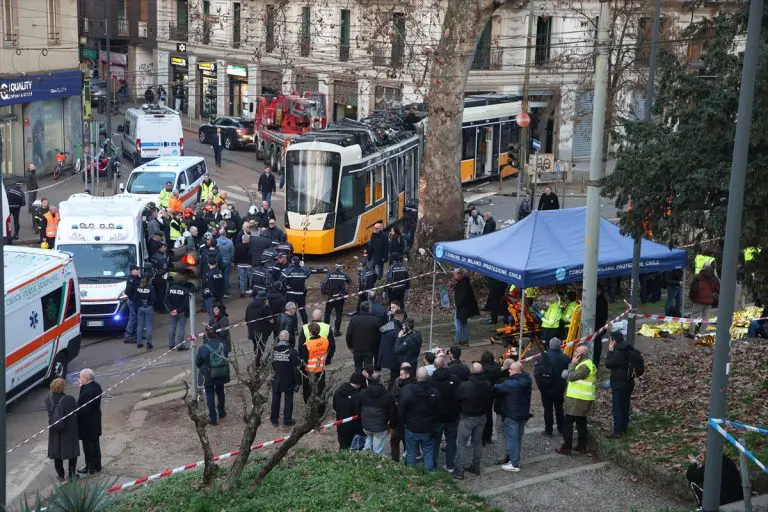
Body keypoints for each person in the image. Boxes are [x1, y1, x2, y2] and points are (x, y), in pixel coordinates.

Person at [453, 362, 494, 479]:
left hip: (467, 417)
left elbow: (456, 399)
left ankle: (459, 470)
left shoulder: (464, 386)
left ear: (471, 372)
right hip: (482, 417)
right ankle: (476, 466)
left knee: (462, 443)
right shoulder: (487, 384)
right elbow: (491, 398)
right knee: (477, 441)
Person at [556, 345, 596, 455]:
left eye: (577, 352)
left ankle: (566, 447)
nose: (574, 353)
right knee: (581, 422)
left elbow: (571, 377)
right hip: (582, 399)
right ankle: (581, 446)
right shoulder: (586, 364)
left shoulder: (584, 366)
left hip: (578, 400)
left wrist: (572, 364)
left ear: (582, 355)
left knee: (567, 423)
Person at [399, 367, 441, 471]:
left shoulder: (408, 392)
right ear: (427, 377)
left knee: (411, 452)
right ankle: (430, 473)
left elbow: (401, 410)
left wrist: (403, 422)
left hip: (412, 427)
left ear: (417, 377)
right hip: (428, 428)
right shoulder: (434, 393)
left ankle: (411, 473)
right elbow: (439, 410)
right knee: (428, 452)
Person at [495, 362, 533, 472]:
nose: (508, 371)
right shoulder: (527, 380)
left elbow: (496, 388)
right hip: (523, 414)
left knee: (512, 439)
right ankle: (515, 459)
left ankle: (514, 463)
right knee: (518, 438)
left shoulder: (510, 384)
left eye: (511, 369)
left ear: (516, 371)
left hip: (512, 415)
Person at [429, 356, 460, 473]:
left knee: (435, 441)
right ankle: (450, 465)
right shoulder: (455, 379)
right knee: (451, 440)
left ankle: (433, 465)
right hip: (452, 415)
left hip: (436, 416)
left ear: (435, 366)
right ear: (445, 365)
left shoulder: (430, 380)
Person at [534, 338, 571, 437]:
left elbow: (537, 373)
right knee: (559, 408)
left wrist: (541, 387)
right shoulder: (566, 358)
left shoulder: (542, 357)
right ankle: (561, 429)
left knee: (548, 409)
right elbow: (570, 373)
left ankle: (548, 430)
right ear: (560, 346)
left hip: (546, 388)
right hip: (560, 388)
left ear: (549, 346)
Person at [355, 371, 397, 456]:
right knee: (377, 452)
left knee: (369, 441)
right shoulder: (387, 397)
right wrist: (391, 426)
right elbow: (393, 415)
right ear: (381, 381)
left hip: (366, 426)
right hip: (380, 428)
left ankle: (365, 456)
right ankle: (373, 460)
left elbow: (357, 410)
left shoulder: (362, 393)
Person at [46, 378, 80, 481]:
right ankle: (72, 475)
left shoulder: (48, 400)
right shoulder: (69, 399)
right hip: (69, 429)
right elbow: (76, 409)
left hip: (55, 429)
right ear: (62, 387)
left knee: (57, 452)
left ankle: (60, 475)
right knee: (72, 452)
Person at [604, 331, 635, 438]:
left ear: (614, 341)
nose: (609, 342)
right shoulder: (628, 349)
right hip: (629, 382)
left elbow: (608, 363)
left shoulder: (617, 352)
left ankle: (617, 431)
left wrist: (610, 351)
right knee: (625, 405)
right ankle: (624, 427)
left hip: (619, 383)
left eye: (610, 340)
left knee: (617, 407)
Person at [196, 328, 230, 425]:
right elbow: (226, 355)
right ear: (216, 335)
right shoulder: (222, 345)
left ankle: (213, 418)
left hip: (208, 374)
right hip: (221, 373)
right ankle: (222, 412)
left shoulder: (203, 348)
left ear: (207, 336)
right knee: (220, 392)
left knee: (210, 395)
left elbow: (198, 362)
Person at [271, 330, 301, 427]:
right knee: (288, 400)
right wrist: (298, 382)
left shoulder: (273, 351)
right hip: (289, 379)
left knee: (275, 399)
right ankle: (287, 420)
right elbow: (296, 369)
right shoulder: (293, 352)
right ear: (288, 338)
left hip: (276, 378)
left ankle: (274, 420)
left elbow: (269, 364)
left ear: (279, 338)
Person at [76, 369, 103, 474]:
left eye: (80, 377)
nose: (79, 379)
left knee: (88, 447)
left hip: (87, 424)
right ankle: (97, 465)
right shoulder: (96, 386)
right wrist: (82, 386)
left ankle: (90, 467)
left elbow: (83, 410)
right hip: (95, 420)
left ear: (86, 379)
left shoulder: (86, 393)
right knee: (96, 444)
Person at [299, 322, 331, 405]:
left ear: (310, 332)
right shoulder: (325, 341)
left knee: (308, 390)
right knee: (321, 388)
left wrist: (301, 369)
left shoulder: (307, 345)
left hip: (309, 371)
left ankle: (310, 405)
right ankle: (321, 407)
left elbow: (304, 360)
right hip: (321, 368)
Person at [333, 372, 366, 450]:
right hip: (354, 427)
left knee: (343, 447)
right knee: (355, 449)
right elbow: (358, 412)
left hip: (341, 424)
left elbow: (335, 407)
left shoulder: (337, 392)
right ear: (359, 383)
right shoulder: (358, 396)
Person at [390, 363, 415, 461]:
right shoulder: (398, 381)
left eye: (401, 375)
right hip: (403, 418)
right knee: (397, 440)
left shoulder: (409, 386)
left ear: (407, 374)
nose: (400, 377)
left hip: (403, 418)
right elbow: (393, 395)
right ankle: (399, 460)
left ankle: (402, 460)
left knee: (400, 440)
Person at [346, 301, 382, 369]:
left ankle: (358, 375)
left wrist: (350, 346)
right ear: (369, 309)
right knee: (368, 369)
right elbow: (379, 336)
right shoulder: (375, 320)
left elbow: (348, 334)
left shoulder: (354, 319)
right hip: (370, 349)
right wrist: (376, 347)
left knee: (358, 368)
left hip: (357, 349)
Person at [688, 261, 720, 337]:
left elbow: (693, 289)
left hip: (699, 300)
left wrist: (692, 298)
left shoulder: (698, 277)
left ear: (703, 267)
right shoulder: (713, 277)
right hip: (709, 301)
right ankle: (701, 333)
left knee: (694, 316)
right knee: (706, 317)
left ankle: (691, 333)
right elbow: (717, 288)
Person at [480, 350, 504, 445]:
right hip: (496, 390)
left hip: (485, 393)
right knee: (490, 414)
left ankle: (483, 436)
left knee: (485, 414)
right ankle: (489, 436)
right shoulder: (497, 366)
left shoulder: (483, 368)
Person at [322, 263, 351, 336]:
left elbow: (324, 283)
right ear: (341, 267)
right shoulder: (343, 274)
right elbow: (350, 281)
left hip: (330, 297)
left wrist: (323, 292)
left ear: (335, 267)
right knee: (338, 315)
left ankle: (325, 331)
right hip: (340, 298)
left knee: (327, 314)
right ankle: (336, 331)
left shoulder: (330, 274)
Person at [378, 309, 403, 390]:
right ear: (401, 316)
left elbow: (381, 332)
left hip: (384, 354)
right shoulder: (398, 330)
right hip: (393, 357)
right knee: (395, 375)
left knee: (392, 375)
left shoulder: (388, 325)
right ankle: (390, 391)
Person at [245, 290, 273, 363]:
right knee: (261, 346)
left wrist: (250, 327)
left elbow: (246, 319)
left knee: (255, 346)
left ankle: (256, 360)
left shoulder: (249, 306)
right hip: (262, 331)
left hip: (252, 330)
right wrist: (268, 306)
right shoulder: (264, 307)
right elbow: (270, 317)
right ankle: (258, 362)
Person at [453, 269, 479, 346]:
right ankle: (465, 341)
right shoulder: (464, 283)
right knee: (464, 324)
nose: (454, 276)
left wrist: (457, 304)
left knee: (458, 324)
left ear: (459, 274)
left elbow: (463, 297)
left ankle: (457, 341)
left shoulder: (463, 284)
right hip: (464, 308)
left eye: (455, 274)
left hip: (462, 308)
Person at [282, 256, 311, 324]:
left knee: (292, 311)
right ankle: (305, 325)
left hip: (291, 294)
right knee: (302, 310)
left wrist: (286, 288)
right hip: (301, 294)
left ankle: (295, 328)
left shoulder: (288, 270)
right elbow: (308, 272)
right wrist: (302, 266)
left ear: (292, 263)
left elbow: (282, 281)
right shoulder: (304, 271)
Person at [165, 277, 189, 350]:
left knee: (172, 328)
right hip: (181, 312)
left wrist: (172, 310)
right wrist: (178, 311)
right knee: (181, 329)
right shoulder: (185, 290)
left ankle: (171, 345)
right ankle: (180, 346)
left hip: (172, 312)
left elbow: (167, 301)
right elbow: (185, 303)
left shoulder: (170, 289)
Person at [135, 274, 156, 350]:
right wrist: (149, 303)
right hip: (148, 307)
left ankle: (139, 343)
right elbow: (154, 298)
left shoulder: (138, 287)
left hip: (140, 307)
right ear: (148, 279)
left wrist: (139, 304)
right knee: (149, 326)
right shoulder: (151, 287)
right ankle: (149, 343)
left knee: (140, 326)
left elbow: (135, 297)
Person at [202, 258, 224, 323]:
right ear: (216, 264)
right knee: (219, 312)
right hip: (219, 295)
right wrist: (220, 295)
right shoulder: (220, 273)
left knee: (211, 313)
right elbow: (223, 285)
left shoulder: (209, 274)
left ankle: (211, 326)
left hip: (210, 296)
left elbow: (210, 286)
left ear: (208, 264)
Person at [123, 265, 141, 344]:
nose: (139, 271)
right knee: (132, 318)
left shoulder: (136, 278)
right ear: (132, 271)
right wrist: (133, 298)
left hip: (136, 301)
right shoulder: (131, 279)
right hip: (132, 301)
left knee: (136, 318)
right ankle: (128, 337)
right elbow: (127, 291)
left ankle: (136, 335)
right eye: (137, 269)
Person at [216, 229, 234, 297]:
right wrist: (232, 261)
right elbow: (232, 253)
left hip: (219, 262)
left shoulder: (216, 241)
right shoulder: (230, 242)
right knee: (226, 277)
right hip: (227, 261)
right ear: (225, 233)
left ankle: (220, 291)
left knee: (219, 277)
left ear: (219, 234)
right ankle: (225, 292)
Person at [594, 284, 609, 365]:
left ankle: (596, 361)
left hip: (598, 326)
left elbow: (599, 315)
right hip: (599, 325)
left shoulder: (601, 301)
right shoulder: (599, 300)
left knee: (597, 343)